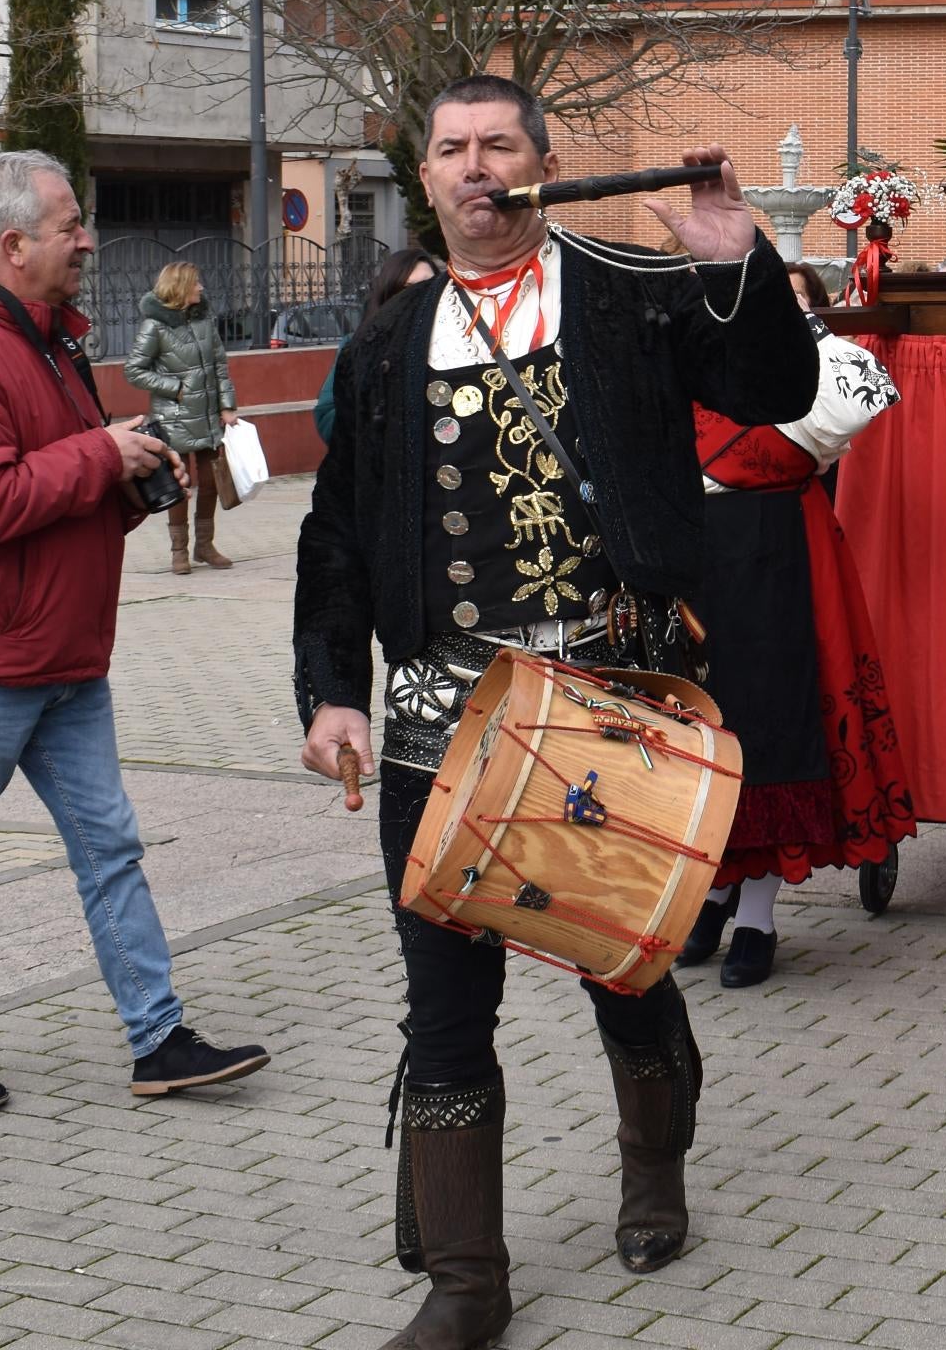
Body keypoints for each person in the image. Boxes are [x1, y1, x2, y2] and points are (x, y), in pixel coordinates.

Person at [294, 77, 816, 1331]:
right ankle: (471, 1280)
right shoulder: (378, 350)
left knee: (620, 966)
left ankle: (653, 1170)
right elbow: (337, 535)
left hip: (603, 696)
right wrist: (330, 692)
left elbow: (774, 392)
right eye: (452, 149)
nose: (476, 168)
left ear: (543, 162)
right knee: (444, 998)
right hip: (436, 712)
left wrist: (737, 261)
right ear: (424, 175)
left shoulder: (633, 297)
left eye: (499, 146)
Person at [0, 150, 270, 1115]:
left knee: (111, 851)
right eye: (68, 226)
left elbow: (55, 488)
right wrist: (98, 452)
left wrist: (130, 483)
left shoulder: (51, 344)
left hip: (61, 658)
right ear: (14, 245)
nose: (88, 241)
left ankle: (160, 1039)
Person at [676, 275, 915, 988]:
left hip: (781, 558)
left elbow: (857, 403)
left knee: (775, 732)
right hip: (691, 564)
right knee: (699, 736)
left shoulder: (817, 371)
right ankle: (715, 892)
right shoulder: (683, 366)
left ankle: (756, 913)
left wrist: (790, 322)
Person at [124, 262, 241, 575]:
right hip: (173, 418)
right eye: (196, 283)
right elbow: (134, 370)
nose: (201, 288)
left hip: (206, 416)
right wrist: (174, 388)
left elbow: (220, 367)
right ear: (180, 287)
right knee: (180, 484)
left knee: (212, 481)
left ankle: (205, 545)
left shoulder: (205, 321)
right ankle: (179, 551)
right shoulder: (155, 326)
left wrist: (228, 406)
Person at [315, 247, 436, 444]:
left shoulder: (457, 342)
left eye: (428, 285)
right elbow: (328, 418)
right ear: (389, 294)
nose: (419, 295)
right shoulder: (357, 346)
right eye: (407, 288)